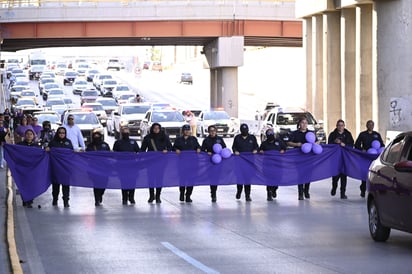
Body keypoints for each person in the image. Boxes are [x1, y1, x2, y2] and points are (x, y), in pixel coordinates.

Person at [141, 123, 172, 203]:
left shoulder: (164, 137)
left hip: (161, 162)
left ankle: (158, 196)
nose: (156, 129)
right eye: (155, 128)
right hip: (150, 162)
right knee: (151, 179)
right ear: (152, 129)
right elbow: (143, 150)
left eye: (158, 128)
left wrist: (167, 150)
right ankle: (151, 195)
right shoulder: (148, 138)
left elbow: (170, 147)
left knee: (159, 179)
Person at [354, 120, 385, 198]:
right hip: (365, 157)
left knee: (375, 175)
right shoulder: (362, 134)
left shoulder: (377, 135)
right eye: (369, 125)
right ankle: (363, 190)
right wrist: (362, 149)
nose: (371, 126)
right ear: (366, 126)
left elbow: (382, 145)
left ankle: (374, 190)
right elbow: (356, 145)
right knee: (365, 174)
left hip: (374, 159)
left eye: (372, 125)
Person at [173, 124, 201, 203]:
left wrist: (198, 149)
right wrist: (176, 150)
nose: (187, 131)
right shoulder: (178, 140)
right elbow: (173, 148)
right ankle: (182, 193)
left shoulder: (193, 139)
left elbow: (198, 146)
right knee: (182, 179)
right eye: (185, 130)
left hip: (192, 163)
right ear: (183, 131)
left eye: (188, 130)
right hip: (181, 163)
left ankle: (188, 195)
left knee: (191, 180)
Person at [47, 126, 74, 207]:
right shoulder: (53, 142)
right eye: (60, 133)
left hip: (66, 168)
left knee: (66, 185)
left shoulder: (68, 142)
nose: (61, 134)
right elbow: (48, 153)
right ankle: (55, 199)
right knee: (56, 185)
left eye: (63, 133)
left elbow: (71, 153)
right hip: (56, 168)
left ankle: (66, 201)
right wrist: (47, 149)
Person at [287, 117, 313, 200]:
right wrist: (296, 145)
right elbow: (288, 142)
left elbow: (316, 142)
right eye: (302, 123)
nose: (304, 124)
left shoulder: (311, 133)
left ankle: (306, 191)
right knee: (300, 174)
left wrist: (314, 143)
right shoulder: (295, 133)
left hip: (308, 157)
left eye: (306, 123)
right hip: (298, 157)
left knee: (308, 174)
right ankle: (300, 193)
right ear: (299, 124)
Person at [328, 119, 354, 199]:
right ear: (336, 126)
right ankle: (334, 187)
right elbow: (329, 145)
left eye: (342, 125)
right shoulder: (332, 134)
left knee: (343, 176)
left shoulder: (348, 134)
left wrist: (344, 145)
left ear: (344, 126)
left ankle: (343, 193)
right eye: (339, 125)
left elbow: (351, 145)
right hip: (335, 159)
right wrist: (334, 142)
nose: (340, 127)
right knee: (335, 176)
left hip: (344, 158)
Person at [113, 126, 140, 205]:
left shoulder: (133, 142)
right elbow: (114, 153)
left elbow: (138, 151)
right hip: (122, 166)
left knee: (132, 181)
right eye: (124, 131)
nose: (126, 133)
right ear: (121, 132)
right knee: (124, 182)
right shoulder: (118, 142)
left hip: (132, 165)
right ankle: (124, 198)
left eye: (127, 131)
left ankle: (131, 197)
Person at [232, 123, 259, 202]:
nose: (245, 131)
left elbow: (256, 146)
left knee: (248, 179)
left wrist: (255, 150)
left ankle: (247, 195)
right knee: (239, 178)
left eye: (246, 130)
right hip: (239, 161)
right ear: (241, 131)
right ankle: (239, 191)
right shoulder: (237, 138)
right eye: (243, 130)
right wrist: (235, 151)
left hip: (249, 161)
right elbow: (234, 147)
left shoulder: (252, 138)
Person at [201, 125, 227, 202]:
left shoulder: (220, 139)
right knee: (211, 178)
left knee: (216, 178)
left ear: (216, 131)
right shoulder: (206, 140)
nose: (212, 132)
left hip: (218, 161)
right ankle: (213, 193)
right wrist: (206, 153)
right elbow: (202, 151)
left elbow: (224, 148)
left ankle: (214, 191)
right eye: (211, 131)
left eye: (214, 131)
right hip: (209, 162)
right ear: (208, 132)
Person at [259, 128, 287, 201]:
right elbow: (259, 150)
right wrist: (261, 151)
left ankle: (274, 189)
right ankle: (269, 193)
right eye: (269, 134)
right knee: (268, 179)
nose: (270, 135)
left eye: (271, 134)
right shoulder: (264, 143)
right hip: (267, 165)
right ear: (266, 135)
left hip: (277, 164)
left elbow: (285, 148)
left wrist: (282, 150)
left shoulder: (279, 142)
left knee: (278, 178)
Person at [17, 129, 41, 208]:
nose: (29, 135)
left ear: (33, 136)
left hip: (33, 168)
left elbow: (40, 155)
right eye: (27, 134)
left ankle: (30, 200)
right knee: (23, 184)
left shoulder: (36, 146)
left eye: (31, 134)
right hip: (23, 168)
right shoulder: (20, 145)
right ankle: (25, 199)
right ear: (25, 135)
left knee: (32, 184)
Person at [86, 130, 110, 206]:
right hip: (94, 168)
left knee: (104, 184)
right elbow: (87, 156)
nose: (96, 138)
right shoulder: (90, 146)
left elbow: (109, 155)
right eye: (95, 136)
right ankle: (97, 199)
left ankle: (100, 194)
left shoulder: (105, 145)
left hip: (105, 168)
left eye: (98, 136)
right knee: (96, 184)